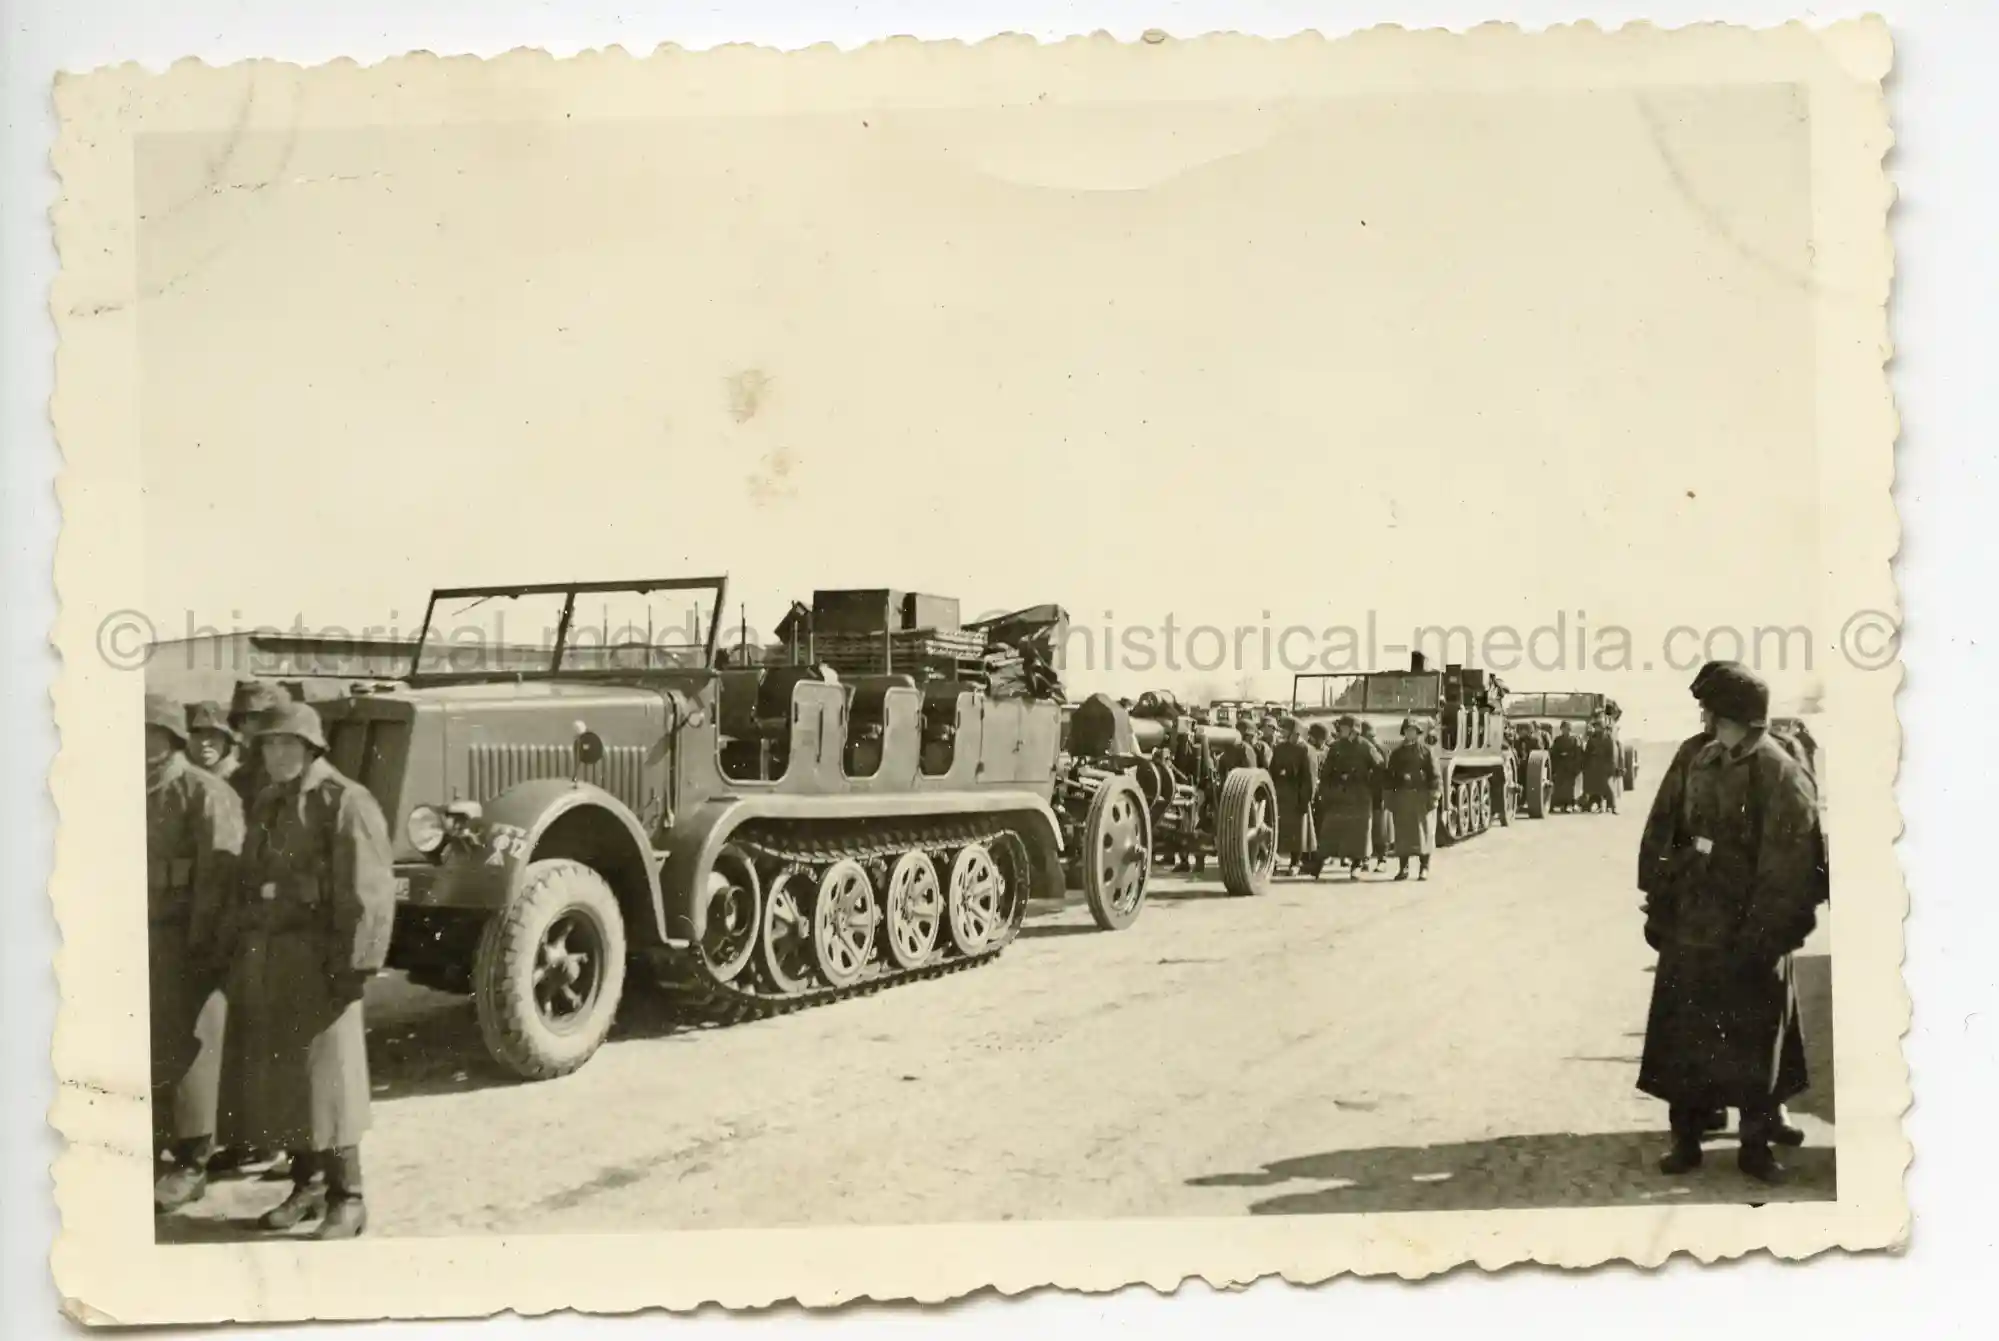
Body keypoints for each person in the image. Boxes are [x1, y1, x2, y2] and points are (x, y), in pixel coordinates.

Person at [1636, 661, 1822, 1185]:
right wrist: (1661, 902)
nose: (1703, 715)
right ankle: (1687, 1138)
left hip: (1751, 931)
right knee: (1686, 1036)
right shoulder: (1703, 759)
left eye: (1711, 709)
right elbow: (1679, 836)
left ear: (1735, 715)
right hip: (1694, 926)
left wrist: (1764, 934)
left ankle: (1755, 1147)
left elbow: (1790, 865)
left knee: (1755, 1042)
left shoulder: (1778, 771)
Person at [223, 700, 396, 1238]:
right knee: (287, 1079)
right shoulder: (272, 801)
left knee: (331, 1080)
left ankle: (350, 1196)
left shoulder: (346, 802)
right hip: (274, 956)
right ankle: (308, 1187)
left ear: (311, 747)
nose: (276, 754)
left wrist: (355, 966)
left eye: (286, 744)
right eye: (269, 744)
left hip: (325, 961)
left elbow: (369, 894)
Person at [145, 692, 245, 1214]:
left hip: (192, 938)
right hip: (143, 936)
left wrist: (207, 946)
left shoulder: (204, 792)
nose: (141, 745)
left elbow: (223, 880)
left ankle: (192, 1160)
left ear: (171, 739)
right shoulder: (130, 790)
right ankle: (159, 1147)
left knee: (193, 1050)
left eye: (151, 734)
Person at [1313, 716, 1381, 880]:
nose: (1340, 730)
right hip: (1339, 796)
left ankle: (1357, 865)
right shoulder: (1335, 747)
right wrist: (1326, 791)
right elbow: (1326, 772)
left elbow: (1379, 767)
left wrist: (1368, 783)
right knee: (1330, 830)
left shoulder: (1366, 747)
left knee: (1359, 834)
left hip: (1359, 796)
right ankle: (1318, 864)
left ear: (1353, 730)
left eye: (1343, 728)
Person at [1383, 717, 1442, 881]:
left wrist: (1434, 796)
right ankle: (1404, 868)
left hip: (1421, 798)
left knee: (1424, 834)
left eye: (1413, 731)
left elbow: (1435, 776)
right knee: (1403, 836)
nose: (1411, 734)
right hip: (1402, 798)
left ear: (1418, 733)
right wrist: (1389, 796)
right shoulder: (1396, 754)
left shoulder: (1426, 752)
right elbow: (1389, 777)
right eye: (1408, 730)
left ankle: (1424, 867)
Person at [224, 680, 292, 808]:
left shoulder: (295, 771)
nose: (244, 726)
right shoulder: (240, 778)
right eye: (240, 719)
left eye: (255, 717)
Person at [1267, 718, 1317, 876]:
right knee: (1279, 830)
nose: (1281, 732)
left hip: (1297, 795)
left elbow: (1309, 778)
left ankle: (1295, 862)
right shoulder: (1279, 748)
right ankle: (1274, 861)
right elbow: (1272, 770)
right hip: (1281, 794)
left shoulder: (1306, 750)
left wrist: (1306, 799)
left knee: (1298, 832)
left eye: (1285, 730)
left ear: (1294, 731)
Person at [1359, 721, 1391, 868]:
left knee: (1378, 827)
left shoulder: (1381, 750)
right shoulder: (1374, 748)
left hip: (1377, 792)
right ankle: (1369, 858)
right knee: (1368, 827)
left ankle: (1381, 858)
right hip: (1367, 792)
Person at [1582, 716, 1621, 815]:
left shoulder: (1608, 739)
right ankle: (1594, 805)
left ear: (1603, 728)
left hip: (1604, 767)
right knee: (1592, 788)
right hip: (1593, 767)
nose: (1597, 729)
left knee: (1607, 788)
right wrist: (1585, 765)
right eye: (1596, 727)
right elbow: (1587, 752)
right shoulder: (1592, 738)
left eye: (1598, 727)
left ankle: (1612, 806)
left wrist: (1610, 769)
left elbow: (1612, 755)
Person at [1549, 721, 1584, 813]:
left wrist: (1576, 766)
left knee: (1570, 787)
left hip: (1570, 765)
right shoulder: (1558, 740)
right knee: (1559, 786)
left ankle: (1570, 805)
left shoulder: (1575, 739)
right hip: (1560, 766)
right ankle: (1560, 805)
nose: (1566, 731)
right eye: (1564, 729)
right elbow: (1553, 753)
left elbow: (1578, 753)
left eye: (1568, 729)